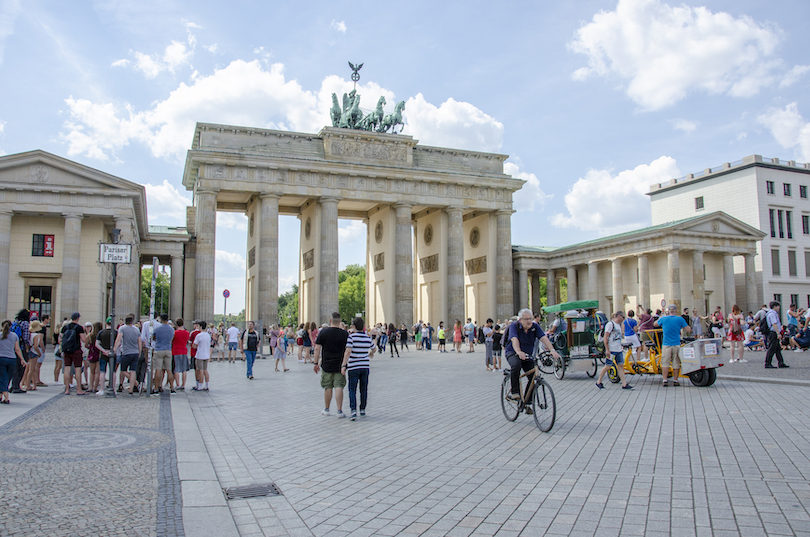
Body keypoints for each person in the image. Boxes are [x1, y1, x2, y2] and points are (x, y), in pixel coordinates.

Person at [505, 309, 561, 414]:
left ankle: (527, 402)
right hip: (513, 352)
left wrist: (552, 350)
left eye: (530, 318)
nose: (529, 321)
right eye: (526, 319)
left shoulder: (534, 327)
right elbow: (514, 339)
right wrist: (518, 351)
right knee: (516, 365)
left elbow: (544, 338)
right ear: (520, 320)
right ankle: (515, 391)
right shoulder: (514, 326)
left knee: (533, 376)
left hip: (527, 355)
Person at [313, 312, 349, 417]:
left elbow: (317, 348)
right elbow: (348, 350)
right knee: (339, 386)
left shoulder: (323, 332)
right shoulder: (344, 334)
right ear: (339, 321)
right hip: (340, 364)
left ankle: (327, 409)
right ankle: (339, 411)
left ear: (330, 320)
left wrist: (315, 363)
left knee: (328, 386)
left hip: (326, 363)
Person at [342, 317, 375, 420]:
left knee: (352, 389)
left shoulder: (351, 337)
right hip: (365, 366)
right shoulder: (367, 338)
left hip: (354, 366)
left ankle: (353, 410)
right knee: (363, 389)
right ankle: (362, 409)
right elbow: (374, 348)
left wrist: (343, 365)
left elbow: (348, 351)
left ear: (354, 326)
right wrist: (370, 353)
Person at [596, 311, 634, 389]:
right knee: (608, 366)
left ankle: (624, 384)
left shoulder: (619, 325)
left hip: (618, 349)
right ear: (619, 316)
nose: (624, 319)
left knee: (620, 366)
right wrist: (607, 350)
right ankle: (599, 381)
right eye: (623, 317)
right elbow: (605, 337)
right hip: (611, 349)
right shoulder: (610, 324)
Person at [654, 305, 690, 387]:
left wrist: (661, 317)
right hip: (676, 343)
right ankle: (675, 380)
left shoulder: (664, 319)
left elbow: (655, 324)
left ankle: (665, 380)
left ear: (668, 311)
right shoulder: (680, 319)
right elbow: (688, 329)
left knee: (665, 363)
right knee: (676, 363)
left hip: (666, 344)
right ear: (676, 311)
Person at [60, 312, 88, 395]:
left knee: (67, 369)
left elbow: (60, 339)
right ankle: (79, 389)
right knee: (78, 369)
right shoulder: (79, 328)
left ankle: (67, 389)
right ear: (78, 318)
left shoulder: (65, 327)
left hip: (66, 350)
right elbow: (84, 340)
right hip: (76, 350)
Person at [114, 315, 142, 394]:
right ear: (132, 321)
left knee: (123, 370)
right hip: (135, 352)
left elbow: (119, 339)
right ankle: (131, 389)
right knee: (133, 371)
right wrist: (139, 351)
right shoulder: (136, 329)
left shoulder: (122, 328)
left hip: (126, 352)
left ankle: (135, 383)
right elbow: (139, 341)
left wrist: (115, 349)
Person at [0, 320, 26, 404]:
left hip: (1, 358)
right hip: (12, 358)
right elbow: (17, 349)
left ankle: (6, 396)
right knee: (7, 377)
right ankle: (2, 395)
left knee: (2, 377)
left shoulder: (0, 335)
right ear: (11, 326)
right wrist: (22, 359)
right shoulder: (14, 336)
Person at [151, 313, 175, 394]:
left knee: (158, 369)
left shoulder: (157, 328)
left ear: (161, 319)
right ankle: (172, 388)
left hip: (159, 349)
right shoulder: (171, 329)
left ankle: (156, 387)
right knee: (169, 370)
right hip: (168, 350)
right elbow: (172, 338)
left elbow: (154, 338)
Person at [10, 309, 30, 394]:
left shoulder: (16, 321)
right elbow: (25, 338)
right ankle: (16, 386)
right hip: (21, 348)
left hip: (13, 347)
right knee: (22, 366)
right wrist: (27, 348)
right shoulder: (25, 323)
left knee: (15, 367)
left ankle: (13, 385)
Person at [764, 301, 788, 369]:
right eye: (778, 306)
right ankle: (768, 363)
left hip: (773, 332)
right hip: (773, 332)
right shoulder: (772, 314)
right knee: (772, 348)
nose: (779, 307)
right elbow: (774, 324)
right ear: (774, 306)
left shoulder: (771, 313)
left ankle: (781, 362)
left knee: (777, 349)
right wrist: (778, 333)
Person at [95, 318, 114, 394]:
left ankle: (102, 389)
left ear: (106, 323)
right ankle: (112, 388)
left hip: (103, 354)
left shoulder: (101, 332)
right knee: (113, 371)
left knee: (102, 371)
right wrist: (113, 350)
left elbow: (97, 344)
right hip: (112, 354)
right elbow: (119, 342)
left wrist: (103, 350)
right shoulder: (115, 332)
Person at [191, 321, 212, 390]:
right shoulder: (208, 335)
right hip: (206, 354)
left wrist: (197, 347)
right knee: (205, 370)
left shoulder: (199, 335)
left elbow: (194, 345)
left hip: (200, 355)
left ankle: (200, 385)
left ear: (200, 327)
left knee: (200, 370)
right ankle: (207, 385)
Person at [172, 318, 190, 390]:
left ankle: (178, 384)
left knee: (176, 369)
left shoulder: (175, 333)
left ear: (176, 325)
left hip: (176, 351)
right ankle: (183, 385)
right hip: (184, 351)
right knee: (184, 370)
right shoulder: (187, 333)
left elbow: (172, 341)